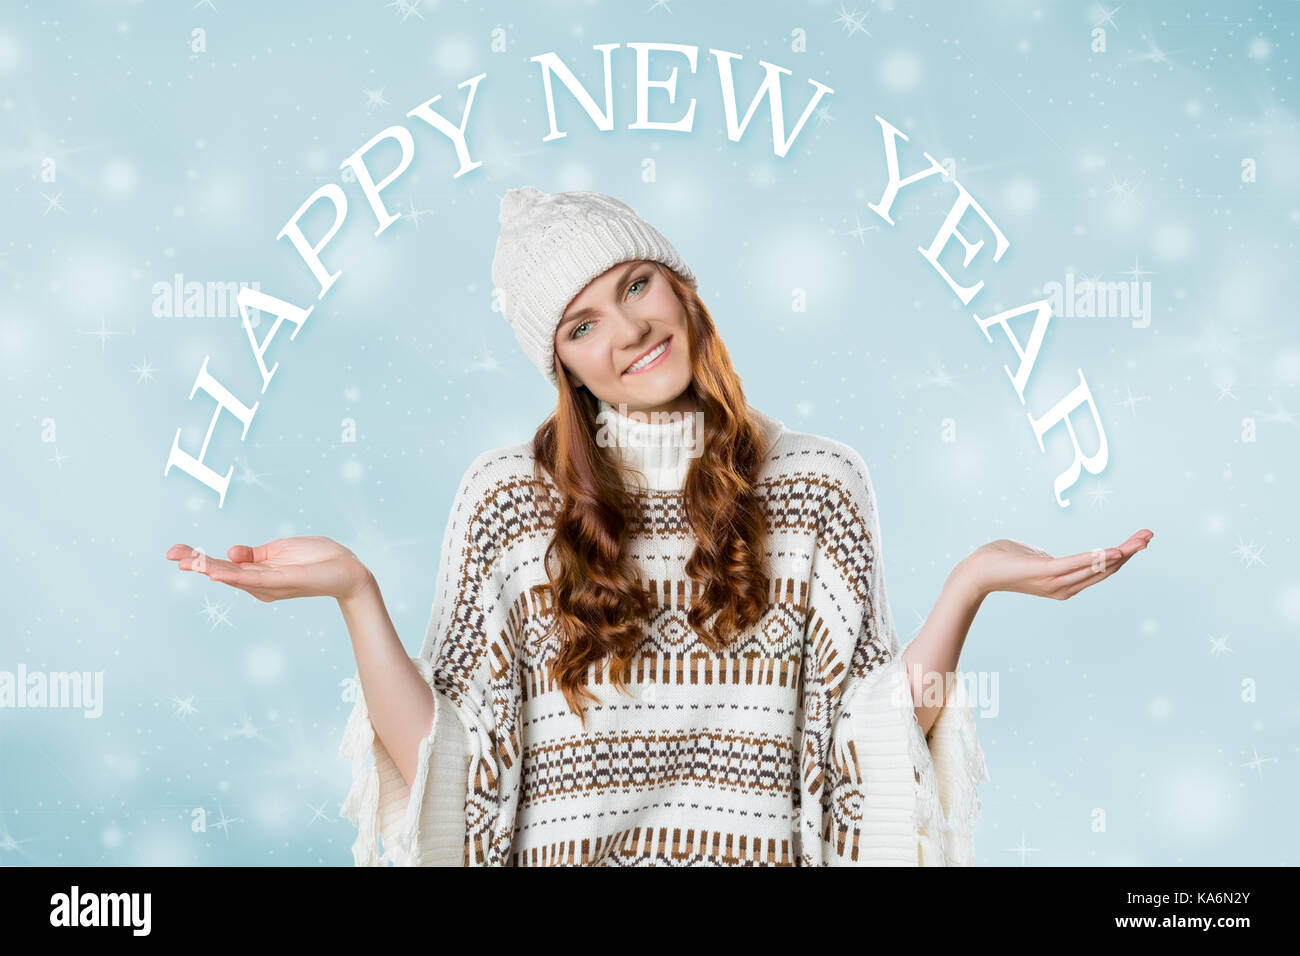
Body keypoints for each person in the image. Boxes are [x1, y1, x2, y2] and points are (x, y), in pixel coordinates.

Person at [165, 186, 1153, 866]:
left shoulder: (818, 485)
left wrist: (971, 581)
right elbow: (457, 765)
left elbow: (864, 743)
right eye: (580, 322)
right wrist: (355, 594)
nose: (627, 329)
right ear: (560, 363)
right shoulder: (510, 499)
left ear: (681, 287)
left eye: (635, 284)